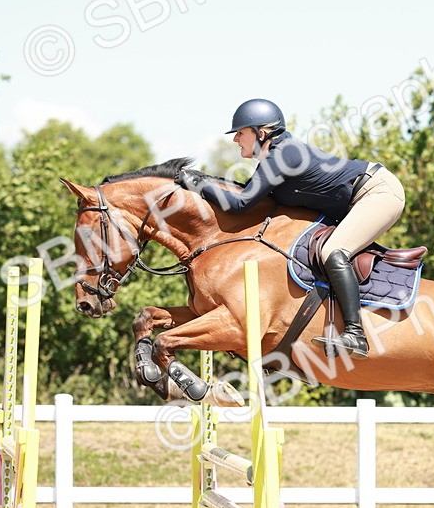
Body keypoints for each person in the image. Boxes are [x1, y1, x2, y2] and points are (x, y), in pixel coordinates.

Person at [174, 98, 406, 359]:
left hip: (377, 191)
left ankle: (355, 334)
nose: (235, 139)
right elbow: (250, 197)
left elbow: (241, 204)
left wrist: (198, 184)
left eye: (240, 132)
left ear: (261, 133)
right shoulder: (275, 157)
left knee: (333, 251)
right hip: (356, 199)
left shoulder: (284, 154)